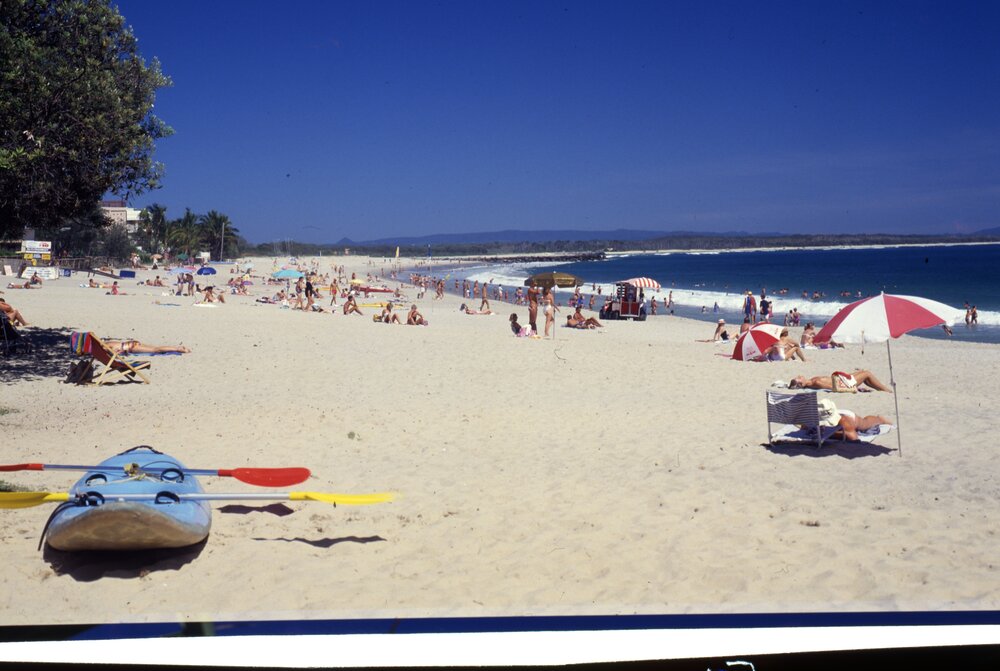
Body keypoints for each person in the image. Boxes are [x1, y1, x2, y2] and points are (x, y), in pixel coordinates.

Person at [816, 398, 892, 442]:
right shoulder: (814, 416)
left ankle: (880, 419)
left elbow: (854, 438)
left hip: (851, 418)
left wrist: (832, 434)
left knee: (865, 424)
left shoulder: (844, 421)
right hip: (834, 413)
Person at [789, 370, 892, 392]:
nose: (799, 375)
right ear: (800, 383)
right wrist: (853, 388)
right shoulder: (816, 383)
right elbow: (833, 388)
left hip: (842, 379)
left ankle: (881, 389)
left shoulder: (811, 381)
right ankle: (885, 390)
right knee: (867, 374)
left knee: (863, 371)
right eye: (798, 377)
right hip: (845, 383)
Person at [102, 339, 191, 354]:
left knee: (156, 350)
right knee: (156, 347)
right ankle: (177, 348)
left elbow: (114, 351)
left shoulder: (104, 346)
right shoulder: (106, 342)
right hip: (132, 343)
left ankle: (178, 349)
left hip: (130, 347)